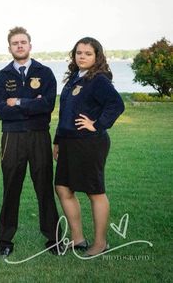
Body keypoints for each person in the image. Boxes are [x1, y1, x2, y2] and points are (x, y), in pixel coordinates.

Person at [0, 26, 61, 257]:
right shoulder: (2, 76)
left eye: (23, 42)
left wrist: (18, 103)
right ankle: (5, 241)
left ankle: (53, 239)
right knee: (11, 188)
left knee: (44, 188)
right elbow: (1, 111)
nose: (19, 46)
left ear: (30, 45)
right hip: (11, 138)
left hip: (39, 136)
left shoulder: (45, 72)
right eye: (15, 43)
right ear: (9, 47)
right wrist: (32, 103)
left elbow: (47, 106)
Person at [53, 37, 124, 256]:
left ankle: (101, 243)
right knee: (63, 187)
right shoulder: (75, 77)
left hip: (90, 144)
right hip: (68, 142)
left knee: (95, 192)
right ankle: (77, 239)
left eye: (88, 53)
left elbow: (116, 104)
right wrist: (57, 140)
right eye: (79, 53)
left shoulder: (99, 80)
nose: (82, 56)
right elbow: (65, 112)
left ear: (97, 56)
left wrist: (97, 125)